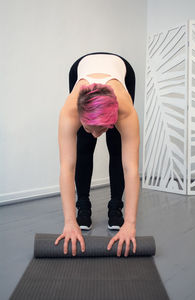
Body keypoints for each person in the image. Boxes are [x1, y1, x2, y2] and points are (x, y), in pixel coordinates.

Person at [54, 52, 140, 257]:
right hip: (81, 67)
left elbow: (132, 169)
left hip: (122, 70)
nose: (96, 135)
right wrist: (69, 222)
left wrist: (130, 223)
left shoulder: (126, 112)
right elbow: (67, 167)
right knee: (83, 145)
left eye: (101, 129)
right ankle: (83, 207)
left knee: (117, 147)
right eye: (91, 128)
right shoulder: (70, 111)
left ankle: (115, 208)